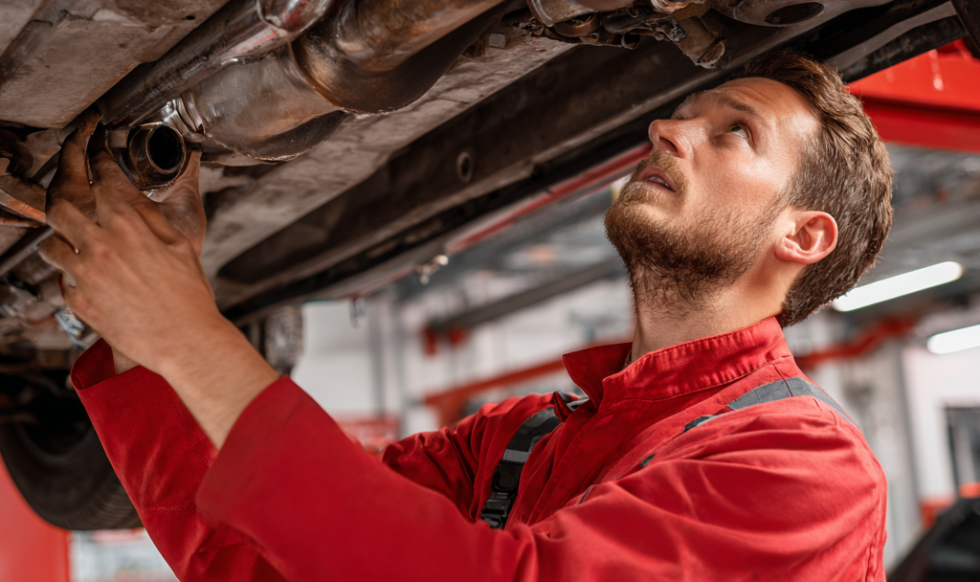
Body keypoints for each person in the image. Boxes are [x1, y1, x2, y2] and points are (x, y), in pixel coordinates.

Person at [42, 50, 893, 581]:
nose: (669, 127)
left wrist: (188, 336)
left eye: (733, 132)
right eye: (685, 113)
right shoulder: (519, 443)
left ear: (804, 234)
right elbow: (258, 556)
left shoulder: (804, 468)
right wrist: (139, 328)